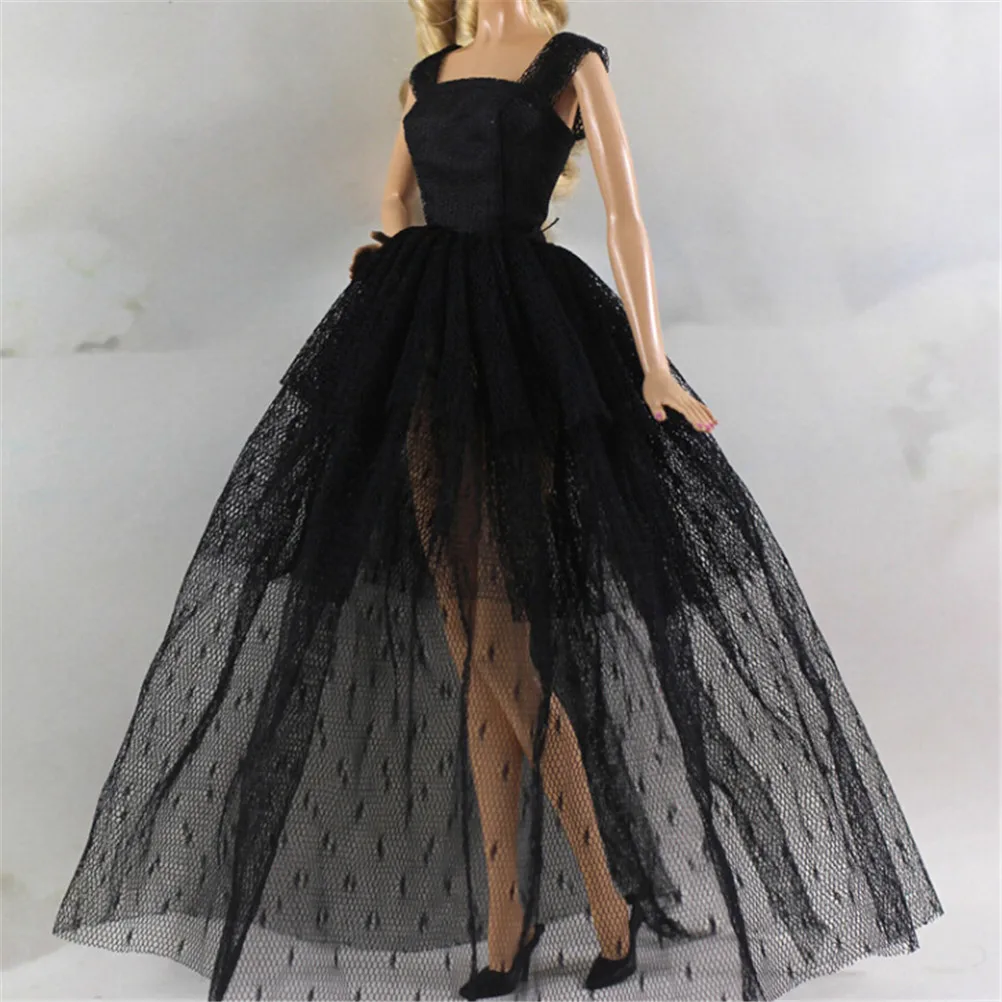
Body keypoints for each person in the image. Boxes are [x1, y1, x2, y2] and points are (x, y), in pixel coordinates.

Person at [52, 1, 944, 999]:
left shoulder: (572, 62)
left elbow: (627, 215)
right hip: (423, 343)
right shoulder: (430, 77)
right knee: (474, 645)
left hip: (525, 345)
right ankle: (520, 918)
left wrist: (652, 362)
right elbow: (394, 194)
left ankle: (591, 903)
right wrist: (392, 269)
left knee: (499, 645)